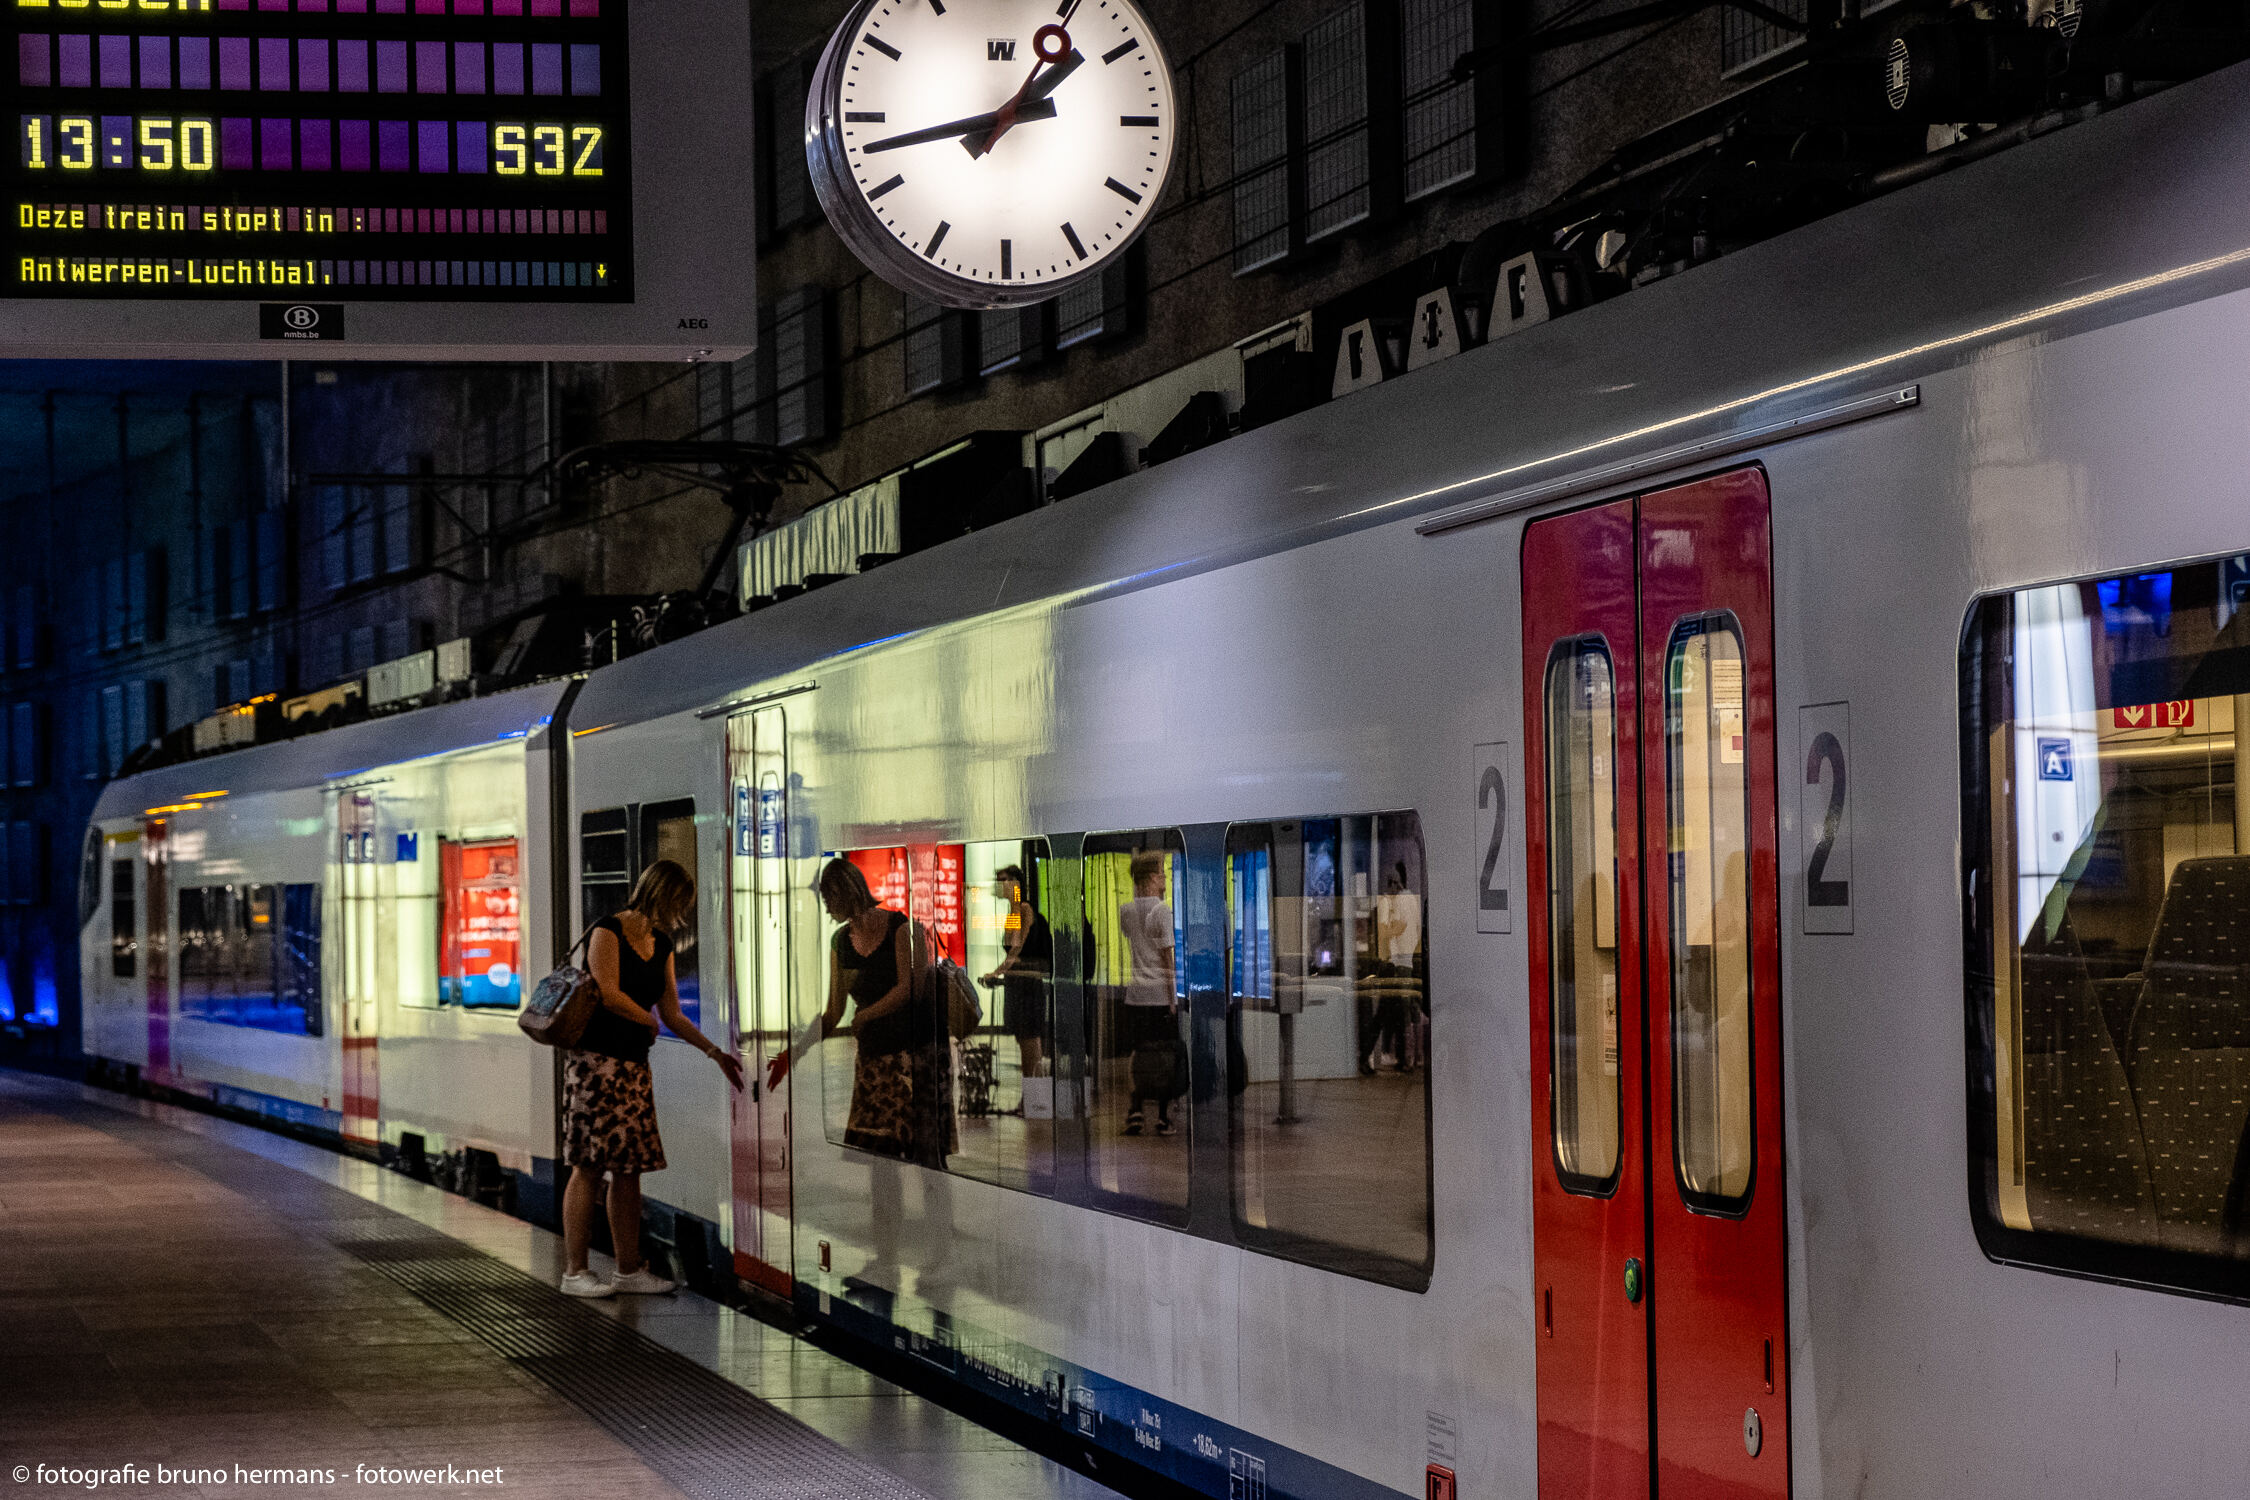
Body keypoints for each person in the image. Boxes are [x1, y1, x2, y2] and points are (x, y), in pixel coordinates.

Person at [560, 858, 744, 1299]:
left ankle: (628, 1270)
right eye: (681, 901)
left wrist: (713, 1052)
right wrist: (645, 1019)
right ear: (663, 894)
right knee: (589, 1167)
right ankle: (575, 1272)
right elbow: (608, 992)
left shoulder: (661, 944)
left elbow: (673, 1013)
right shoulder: (608, 930)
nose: (682, 911)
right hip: (595, 1066)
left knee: (629, 1170)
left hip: (632, 1069)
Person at [1117, 850, 1181, 1137]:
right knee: (1164, 1056)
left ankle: (1136, 1109)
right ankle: (1163, 1116)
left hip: (1135, 995)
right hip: (1158, 995)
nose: (1165, 878)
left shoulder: (1126, 911)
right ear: (1152, 878)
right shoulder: (1162, 911)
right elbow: (1167, 958)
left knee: (1137, 1052)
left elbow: (1132, 941)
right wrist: (1173, 999)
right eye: (1162, 873)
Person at [982, 863, 1053, 1099]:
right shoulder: (1013, 912)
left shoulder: (1024, 909)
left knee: (1030, 1039)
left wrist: (996, 972)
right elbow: (1011, 950)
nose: (998, 885)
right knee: (1024, 1039)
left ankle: (1035, 1096)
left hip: (1028, 984)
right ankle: (1029, 1097)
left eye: (1003, 880)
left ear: (1016, 883)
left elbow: (1016, 950)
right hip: (1017, 983)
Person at [1367, 862, 1423, 1074]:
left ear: (1397, 882)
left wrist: (1388, 932)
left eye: (1392, 881)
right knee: (1408, 1009)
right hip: (1409, 959)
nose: (1391, 886)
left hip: (1399, 961)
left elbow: (1398, 927)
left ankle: (1406, 1057)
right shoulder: (1412, 900)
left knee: (1402, 1011)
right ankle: (1413, 1056)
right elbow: (1415, 929)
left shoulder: (1399, 900)